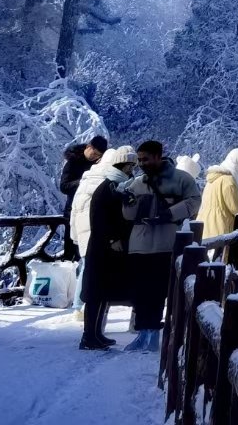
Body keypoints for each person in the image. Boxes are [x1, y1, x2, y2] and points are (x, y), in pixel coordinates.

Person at [120, 140, 200, 352]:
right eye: (139, 160)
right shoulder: (136, 184)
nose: (141, 163)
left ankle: (154, 332)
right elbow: (127, 216)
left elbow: (194, 202)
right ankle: (142, 332)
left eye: (145, 159)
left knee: (157, 291)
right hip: (139, 244)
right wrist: (128, 203)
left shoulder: (181, 179)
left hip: (164, 243)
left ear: (158, 156)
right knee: (139, 292)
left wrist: (169, 214)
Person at [72, 145, 136, 350]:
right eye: (130, 165)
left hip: (101, 247)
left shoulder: (112, 185)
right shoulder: (109, 187)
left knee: (99, 292)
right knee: (96, 293)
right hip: (102, 248)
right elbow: (100, 219)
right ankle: (90, 336)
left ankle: (94, 334)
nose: (132, 170)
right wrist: (112, 239)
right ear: (123, 165)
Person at [58, 134, 108, 259]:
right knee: (71, 251)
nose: (95, 157)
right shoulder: (73, 161)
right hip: (72, 212)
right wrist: (83, 183)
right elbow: (64, 186)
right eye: (94, 153)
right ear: (88, 147)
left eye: (98, 156)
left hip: (92, 213)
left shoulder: (99, 165)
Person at [196, 148, 238, 239]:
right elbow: (237, 209)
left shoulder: (212, 180)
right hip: (221, 229)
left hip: (206, 228)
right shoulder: (228, 180)